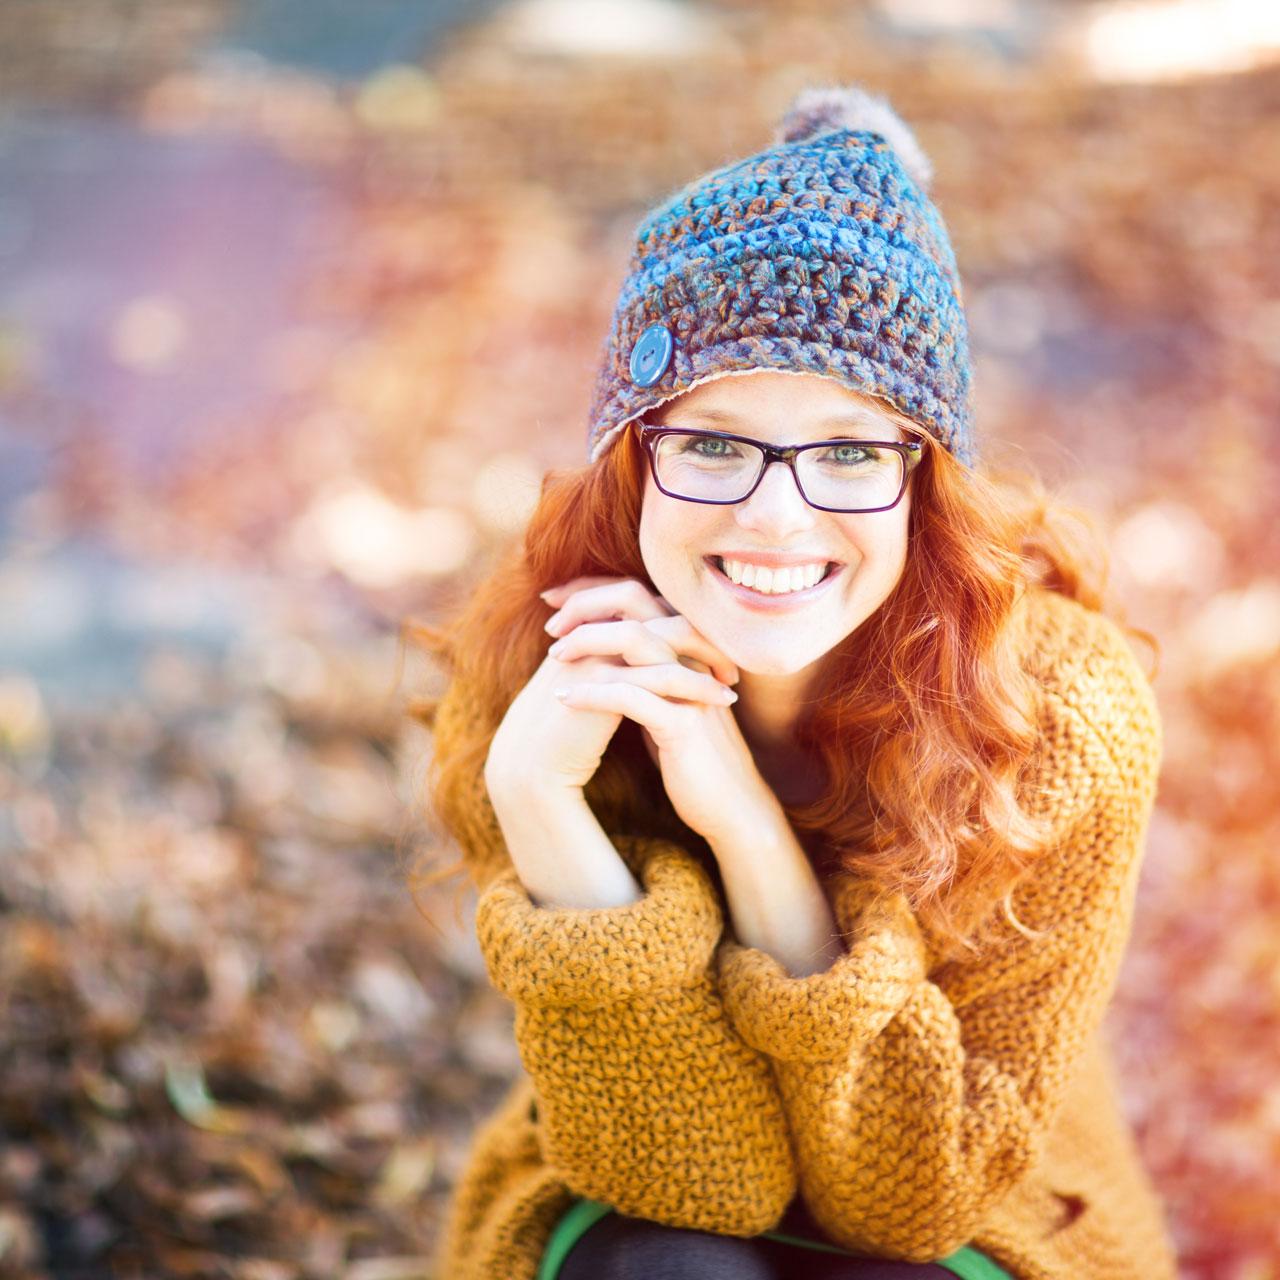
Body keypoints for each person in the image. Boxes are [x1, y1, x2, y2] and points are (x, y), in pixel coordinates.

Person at [413, 85, 1179, 1280]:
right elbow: (688, 1178)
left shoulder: (1059, 714)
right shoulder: (547, 676)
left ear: (924, 478)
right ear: (632, 461)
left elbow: (909, 1196)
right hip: (643, 1202)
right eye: (713, 441)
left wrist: (744, 824)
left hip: (981, 1205)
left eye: (847, 450)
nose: (777, 516)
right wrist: (539, 801)